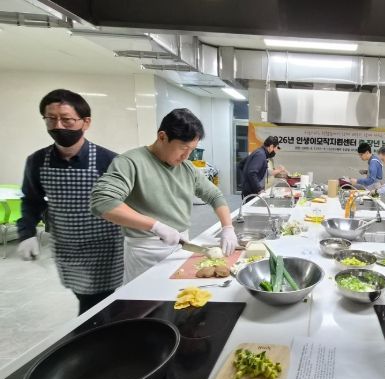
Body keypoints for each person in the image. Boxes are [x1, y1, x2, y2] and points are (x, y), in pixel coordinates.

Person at [90, 108, 238, 283]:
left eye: (191, 150)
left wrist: (228, 227)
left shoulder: (187, 168)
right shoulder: (130, 162)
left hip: (182, 245)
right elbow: (103, 202)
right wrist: (155, 226)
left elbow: (214, 195)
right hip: (146, 250)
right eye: (183, 148)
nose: (186, 156)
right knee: (147, 296)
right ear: (162, 137)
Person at [17, 89, 124, 315]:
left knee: (97, 303)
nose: (58, 126)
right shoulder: (38, 161)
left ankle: (92, 333)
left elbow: (126, 202)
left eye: (66, 119)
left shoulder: (109, 160)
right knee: (85, 296)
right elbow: (32, 200)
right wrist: (27, 234)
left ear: (86, 122)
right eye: (51, 119)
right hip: (67, 247)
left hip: (105, 248)